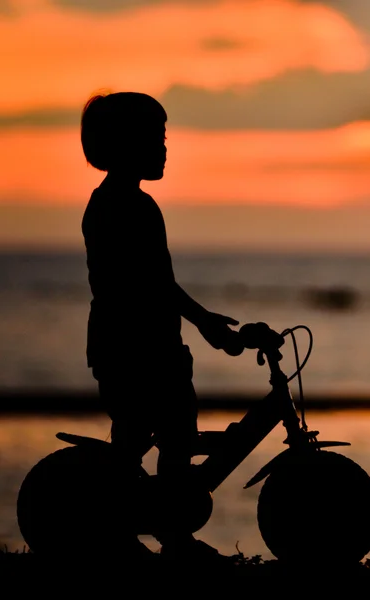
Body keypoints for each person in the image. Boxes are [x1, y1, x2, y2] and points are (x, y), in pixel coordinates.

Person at [80, 91, 244, 559]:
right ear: (126, 143)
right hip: (134, 345)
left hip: (143, 342)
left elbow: (160, 284)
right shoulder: (123, 207)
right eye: (157, 137)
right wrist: (206, 322)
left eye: (164, 137)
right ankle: (154, 534)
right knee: (151, 436)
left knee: (161, 435)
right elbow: (152, 284)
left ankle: (162, 531)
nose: (165, 148)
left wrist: (200, 323)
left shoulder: (127, 204)